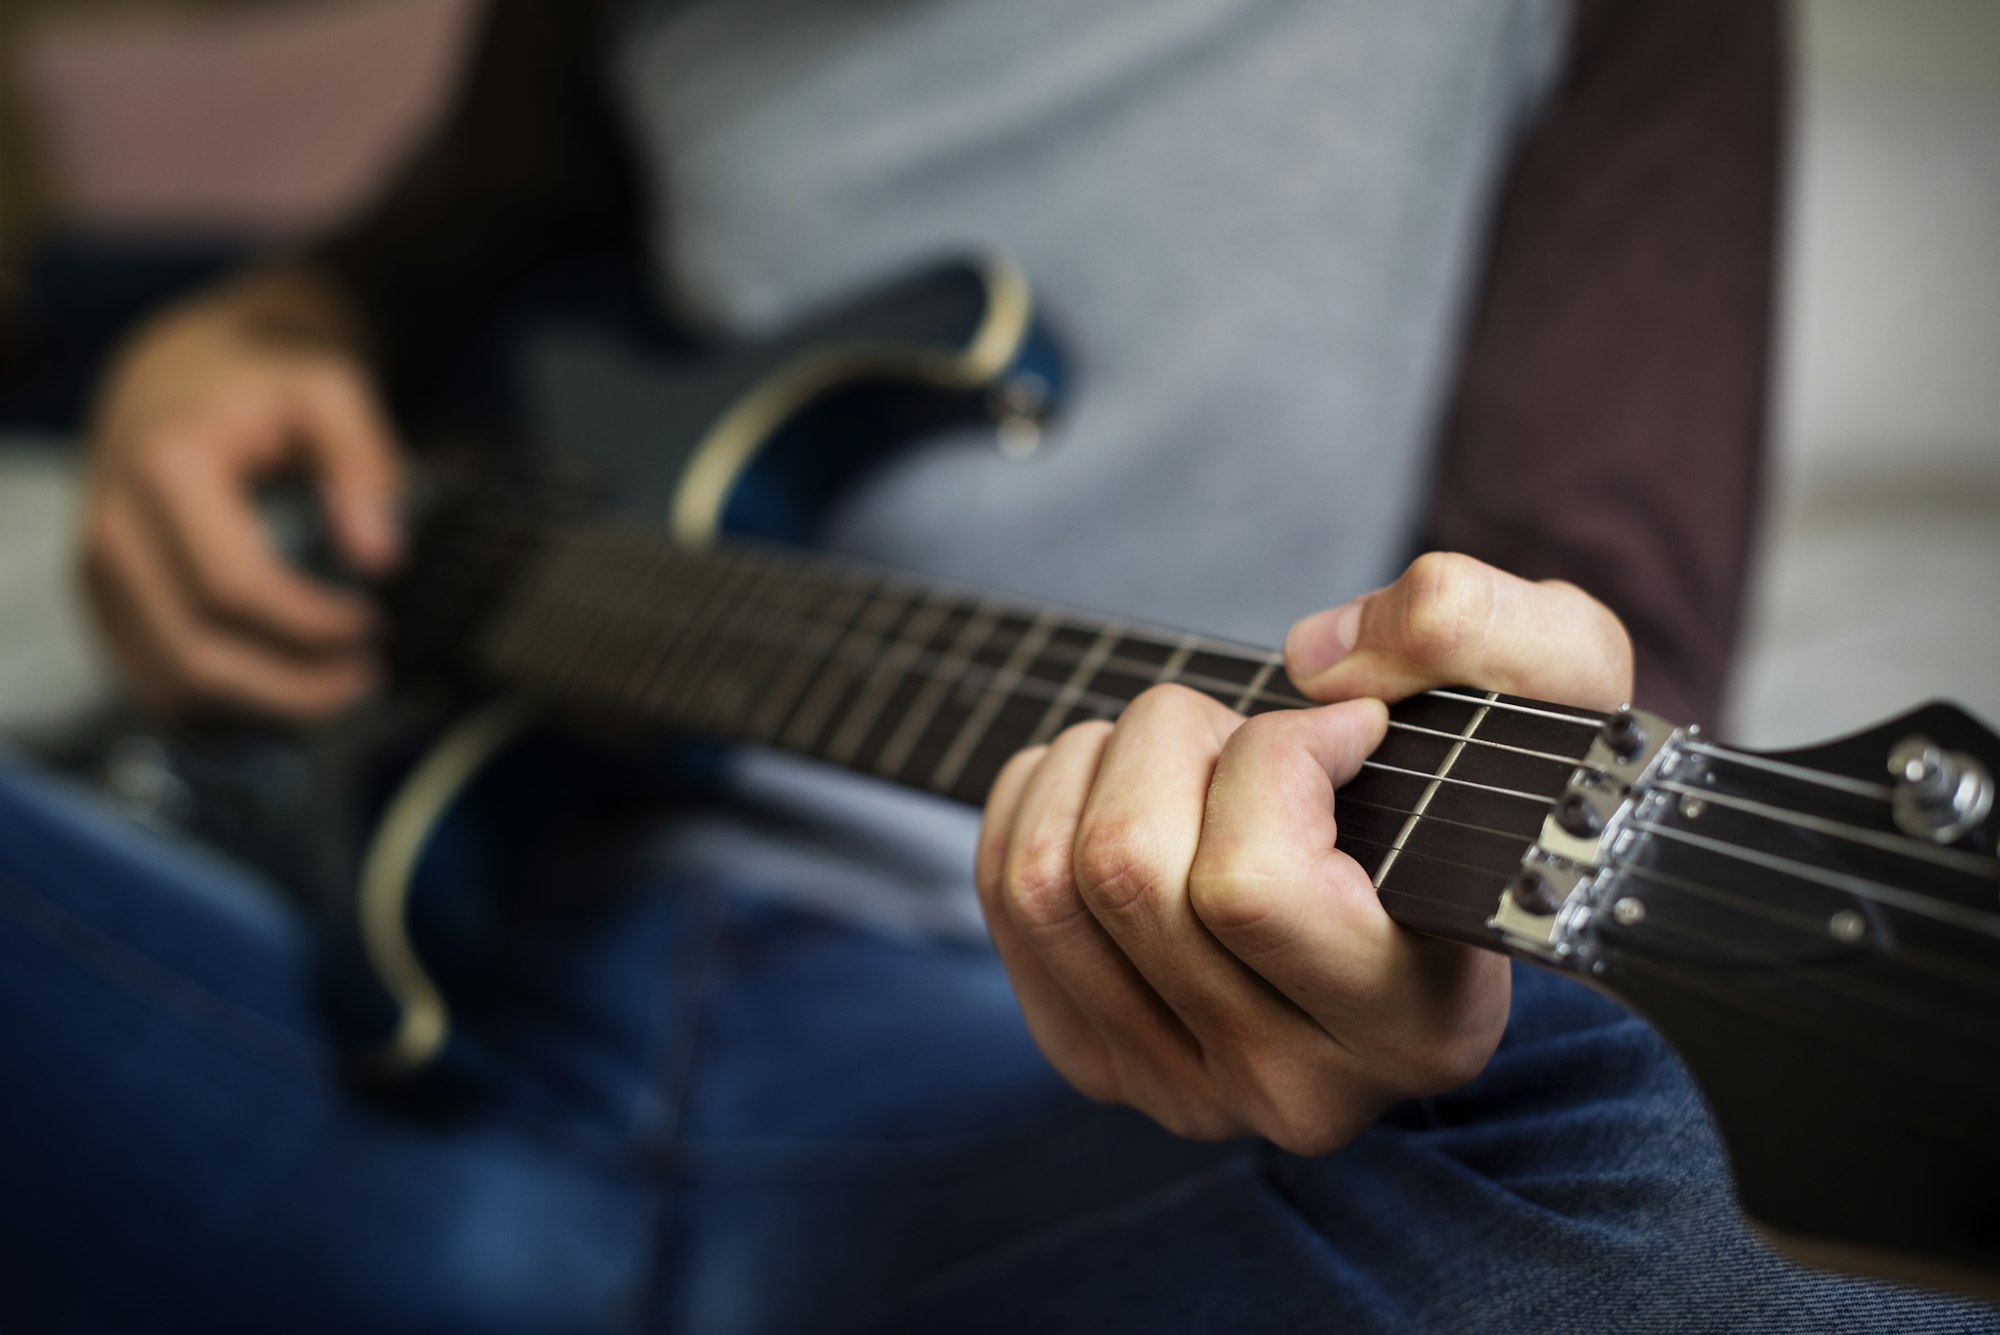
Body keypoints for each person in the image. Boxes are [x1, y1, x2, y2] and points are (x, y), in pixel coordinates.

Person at [6, 0, 1993, 1329]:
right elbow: (421, 253)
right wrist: (252, 328)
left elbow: (1579, 602)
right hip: (392, 1008)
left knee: (1606, 1181)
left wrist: (1437, 956)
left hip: (1065, 1120)